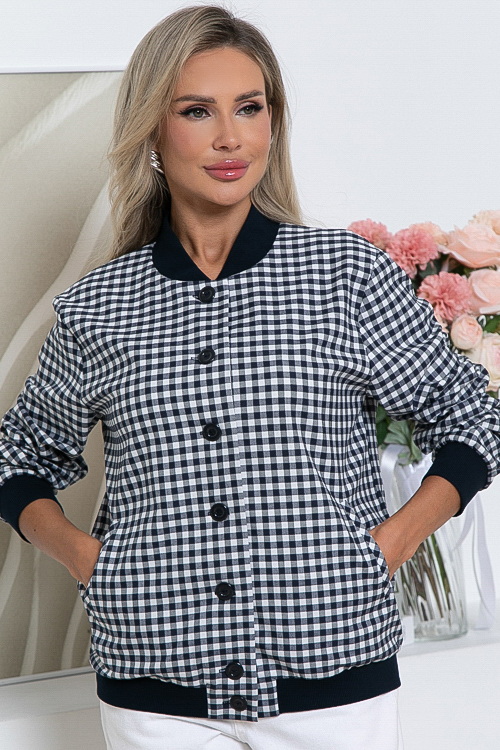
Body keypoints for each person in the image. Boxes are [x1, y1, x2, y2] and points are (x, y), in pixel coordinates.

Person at [0, 5, 498, 749]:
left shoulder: (346, 277)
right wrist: (90, 561)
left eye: (249, 108)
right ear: (153, 131)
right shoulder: (99, 307)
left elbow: (471, 416)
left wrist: (388, 546)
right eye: (196, 111)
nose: (230, 137)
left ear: (273, 123)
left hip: (332, 673)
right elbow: (20, 457)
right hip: (157, 684)